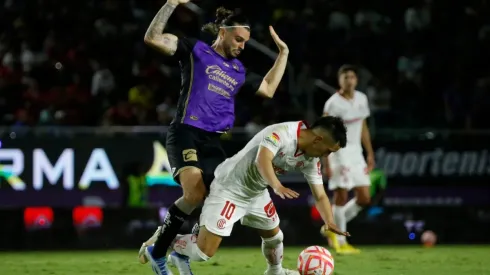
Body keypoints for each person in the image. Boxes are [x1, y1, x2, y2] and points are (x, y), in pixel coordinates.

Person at [139, 0, 290, 273]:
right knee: (195, 192)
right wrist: (171, 3)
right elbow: (152, 38)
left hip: (213, 141)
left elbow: (267, 89)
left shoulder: (238, 71)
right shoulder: (195, 50)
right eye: (239, 39)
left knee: (215, 196)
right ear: (223, 32)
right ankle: (159, 249)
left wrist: (283, 55)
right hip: (186, 132)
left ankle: (172, 248)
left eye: (245, 42)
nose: (242, 46)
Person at [145, 117, 349, 275]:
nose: (326, 156)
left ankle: (274, 271)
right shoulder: (283, 133)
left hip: (256, 191)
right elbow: (263, 159)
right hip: (230, 188)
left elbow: (320, 195)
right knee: (203, 253)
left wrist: (329, 221)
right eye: (329, 151)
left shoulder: (310, 159)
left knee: (275, 237)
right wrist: (276, 186)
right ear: (319, 139)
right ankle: (167, 239)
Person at [322, 64, 375, 254]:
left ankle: (331, 227)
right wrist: (326, 161)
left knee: (364, 198)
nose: (349, 80)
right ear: (339, 80)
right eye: (345, 77)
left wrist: (370, 153)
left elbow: (364, 127)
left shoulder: (362, 99)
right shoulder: (332, 104)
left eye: (352, 77)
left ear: (356, 80)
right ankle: (341, 241)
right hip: (339, 152)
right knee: (341, 196)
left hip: (356, 153)